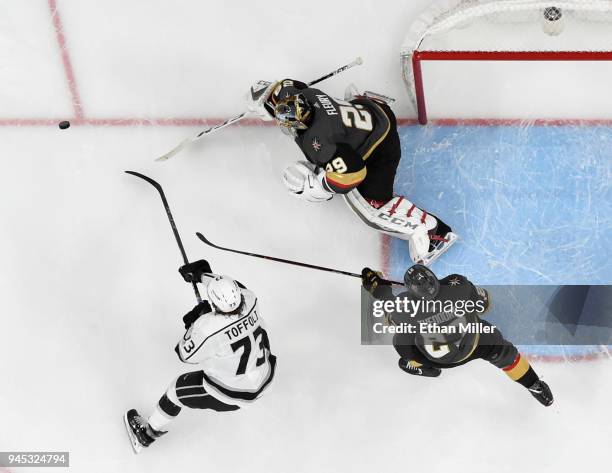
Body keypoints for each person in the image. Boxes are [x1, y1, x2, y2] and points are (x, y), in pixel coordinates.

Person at [247, 79, 457, 266]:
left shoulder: (318, 140)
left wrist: (320, 185)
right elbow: (286, 85)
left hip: (381, 145)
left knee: (370, 209)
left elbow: (353, 173)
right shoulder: (305, 95)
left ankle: (435, 233)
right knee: (340, 143)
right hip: (376, 111)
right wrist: (266, 98)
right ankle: (358, 102)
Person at [124, 259, 276, 453]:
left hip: (235, 393)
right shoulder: (250, 298)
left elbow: (184, 353)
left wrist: (194, 324)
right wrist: (203, 274)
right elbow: (239, 287)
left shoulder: (208, 328)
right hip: (265, 376)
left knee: (176, 391)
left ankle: (146, 435)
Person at [361, 265, 553, 406]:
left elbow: (389, 317)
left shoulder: (401, 307)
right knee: (503, 352)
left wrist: (381, 290)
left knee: (401, 342)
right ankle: (534, 385)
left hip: (439, 360)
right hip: (474, 344)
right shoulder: (458, 284)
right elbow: (485, 304)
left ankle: (423, 367)